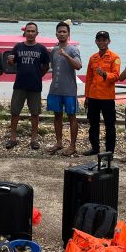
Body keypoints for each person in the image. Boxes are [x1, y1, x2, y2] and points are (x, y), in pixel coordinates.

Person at [5, 22, 50, 150]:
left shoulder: (41, 49)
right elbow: (11, 63)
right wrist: (10, 61)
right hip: (19, 85)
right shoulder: (18, 47)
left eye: (32, 31)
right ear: (25, 33)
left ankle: (34, 139)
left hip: (35, 86)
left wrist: (37, 76)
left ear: (37, 33)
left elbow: (46, 66)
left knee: (35, 113)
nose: (30, 33)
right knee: (15, 112)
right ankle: (13, 138)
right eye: (28, 31)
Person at [46, 21, 82, 156]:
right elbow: (52, 67)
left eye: (64, 32)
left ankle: (72, 145)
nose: (62, 34)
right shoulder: (54, 50)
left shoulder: (73, 49)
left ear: (68, 34)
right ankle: (59, 142)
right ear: (56, 34)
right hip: (55, 89)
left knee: (72, 116)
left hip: (69, 89)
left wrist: (67, 56)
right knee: (57, 116)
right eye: (59, 31)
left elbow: (78, 66)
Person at [83, 30, 121, 156]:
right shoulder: (93, 58)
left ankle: (109, 151)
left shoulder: (115, 57)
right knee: (93, 124)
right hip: (93, 96)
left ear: (109, 41)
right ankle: (95, 148)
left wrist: (105, 74)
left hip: (107, 97)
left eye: (104, 40)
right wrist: (87, 96)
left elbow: (116, 76)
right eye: (99, 40)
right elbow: (88, 78)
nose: (101, 42)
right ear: (95, 41)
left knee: (109, 125)